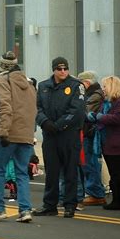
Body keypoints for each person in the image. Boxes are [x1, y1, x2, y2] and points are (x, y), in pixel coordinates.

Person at [0, 51, 37, 222]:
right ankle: (25, 210)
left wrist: (3, 131)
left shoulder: (3, 82)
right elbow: (33, 110)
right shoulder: (29, 85)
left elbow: (5, 108)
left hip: (9, 132)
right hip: (26, 134)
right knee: (22, 173)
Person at [34, 56, 85, 218]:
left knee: (70, 171)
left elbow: (76, 111)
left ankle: (70, 204)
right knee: (51, 171)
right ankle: (50, 205)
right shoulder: (43, 86)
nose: (63, 72)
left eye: (65, 69)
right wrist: (45, 122)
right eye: (59, 69)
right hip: (50, 135)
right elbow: (37, 108)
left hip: (69, 135)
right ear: (54, 70)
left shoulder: (76, 86)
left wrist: (59, 125)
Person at [88, 76, 120, 210]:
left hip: (117, 142)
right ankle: (116, 200)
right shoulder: (108, 102)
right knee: (114, 173)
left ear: (112, 87)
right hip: (107, 141)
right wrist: (94, 117)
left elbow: (117, 119)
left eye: (105, 86)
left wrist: (99, 117)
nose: (103, 89)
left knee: (116, 172)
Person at [77, 71, 107, 206]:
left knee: (89, 163)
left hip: (89, 133)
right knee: (89, 163)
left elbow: (84, 111)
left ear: (87, 82)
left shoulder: (94, 95)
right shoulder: (96, 94)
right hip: (88, 132)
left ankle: (95, 193)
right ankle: (94, 191)